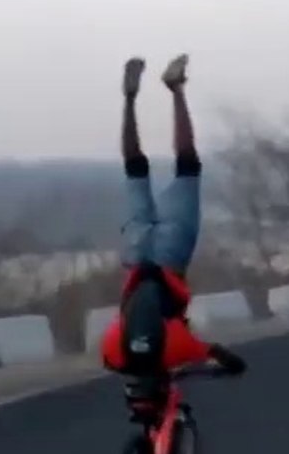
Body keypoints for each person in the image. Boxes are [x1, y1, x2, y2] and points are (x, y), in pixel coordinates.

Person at [98, 54, 247, 378]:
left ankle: (174, 88)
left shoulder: (181, 344)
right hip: (136, 255)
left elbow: (224, 357)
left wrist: (227, 362)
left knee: (187, 165)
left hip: (170, 256)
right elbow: (106, 358)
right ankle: (130, 99)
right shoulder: (115, 346)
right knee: (135, 171)